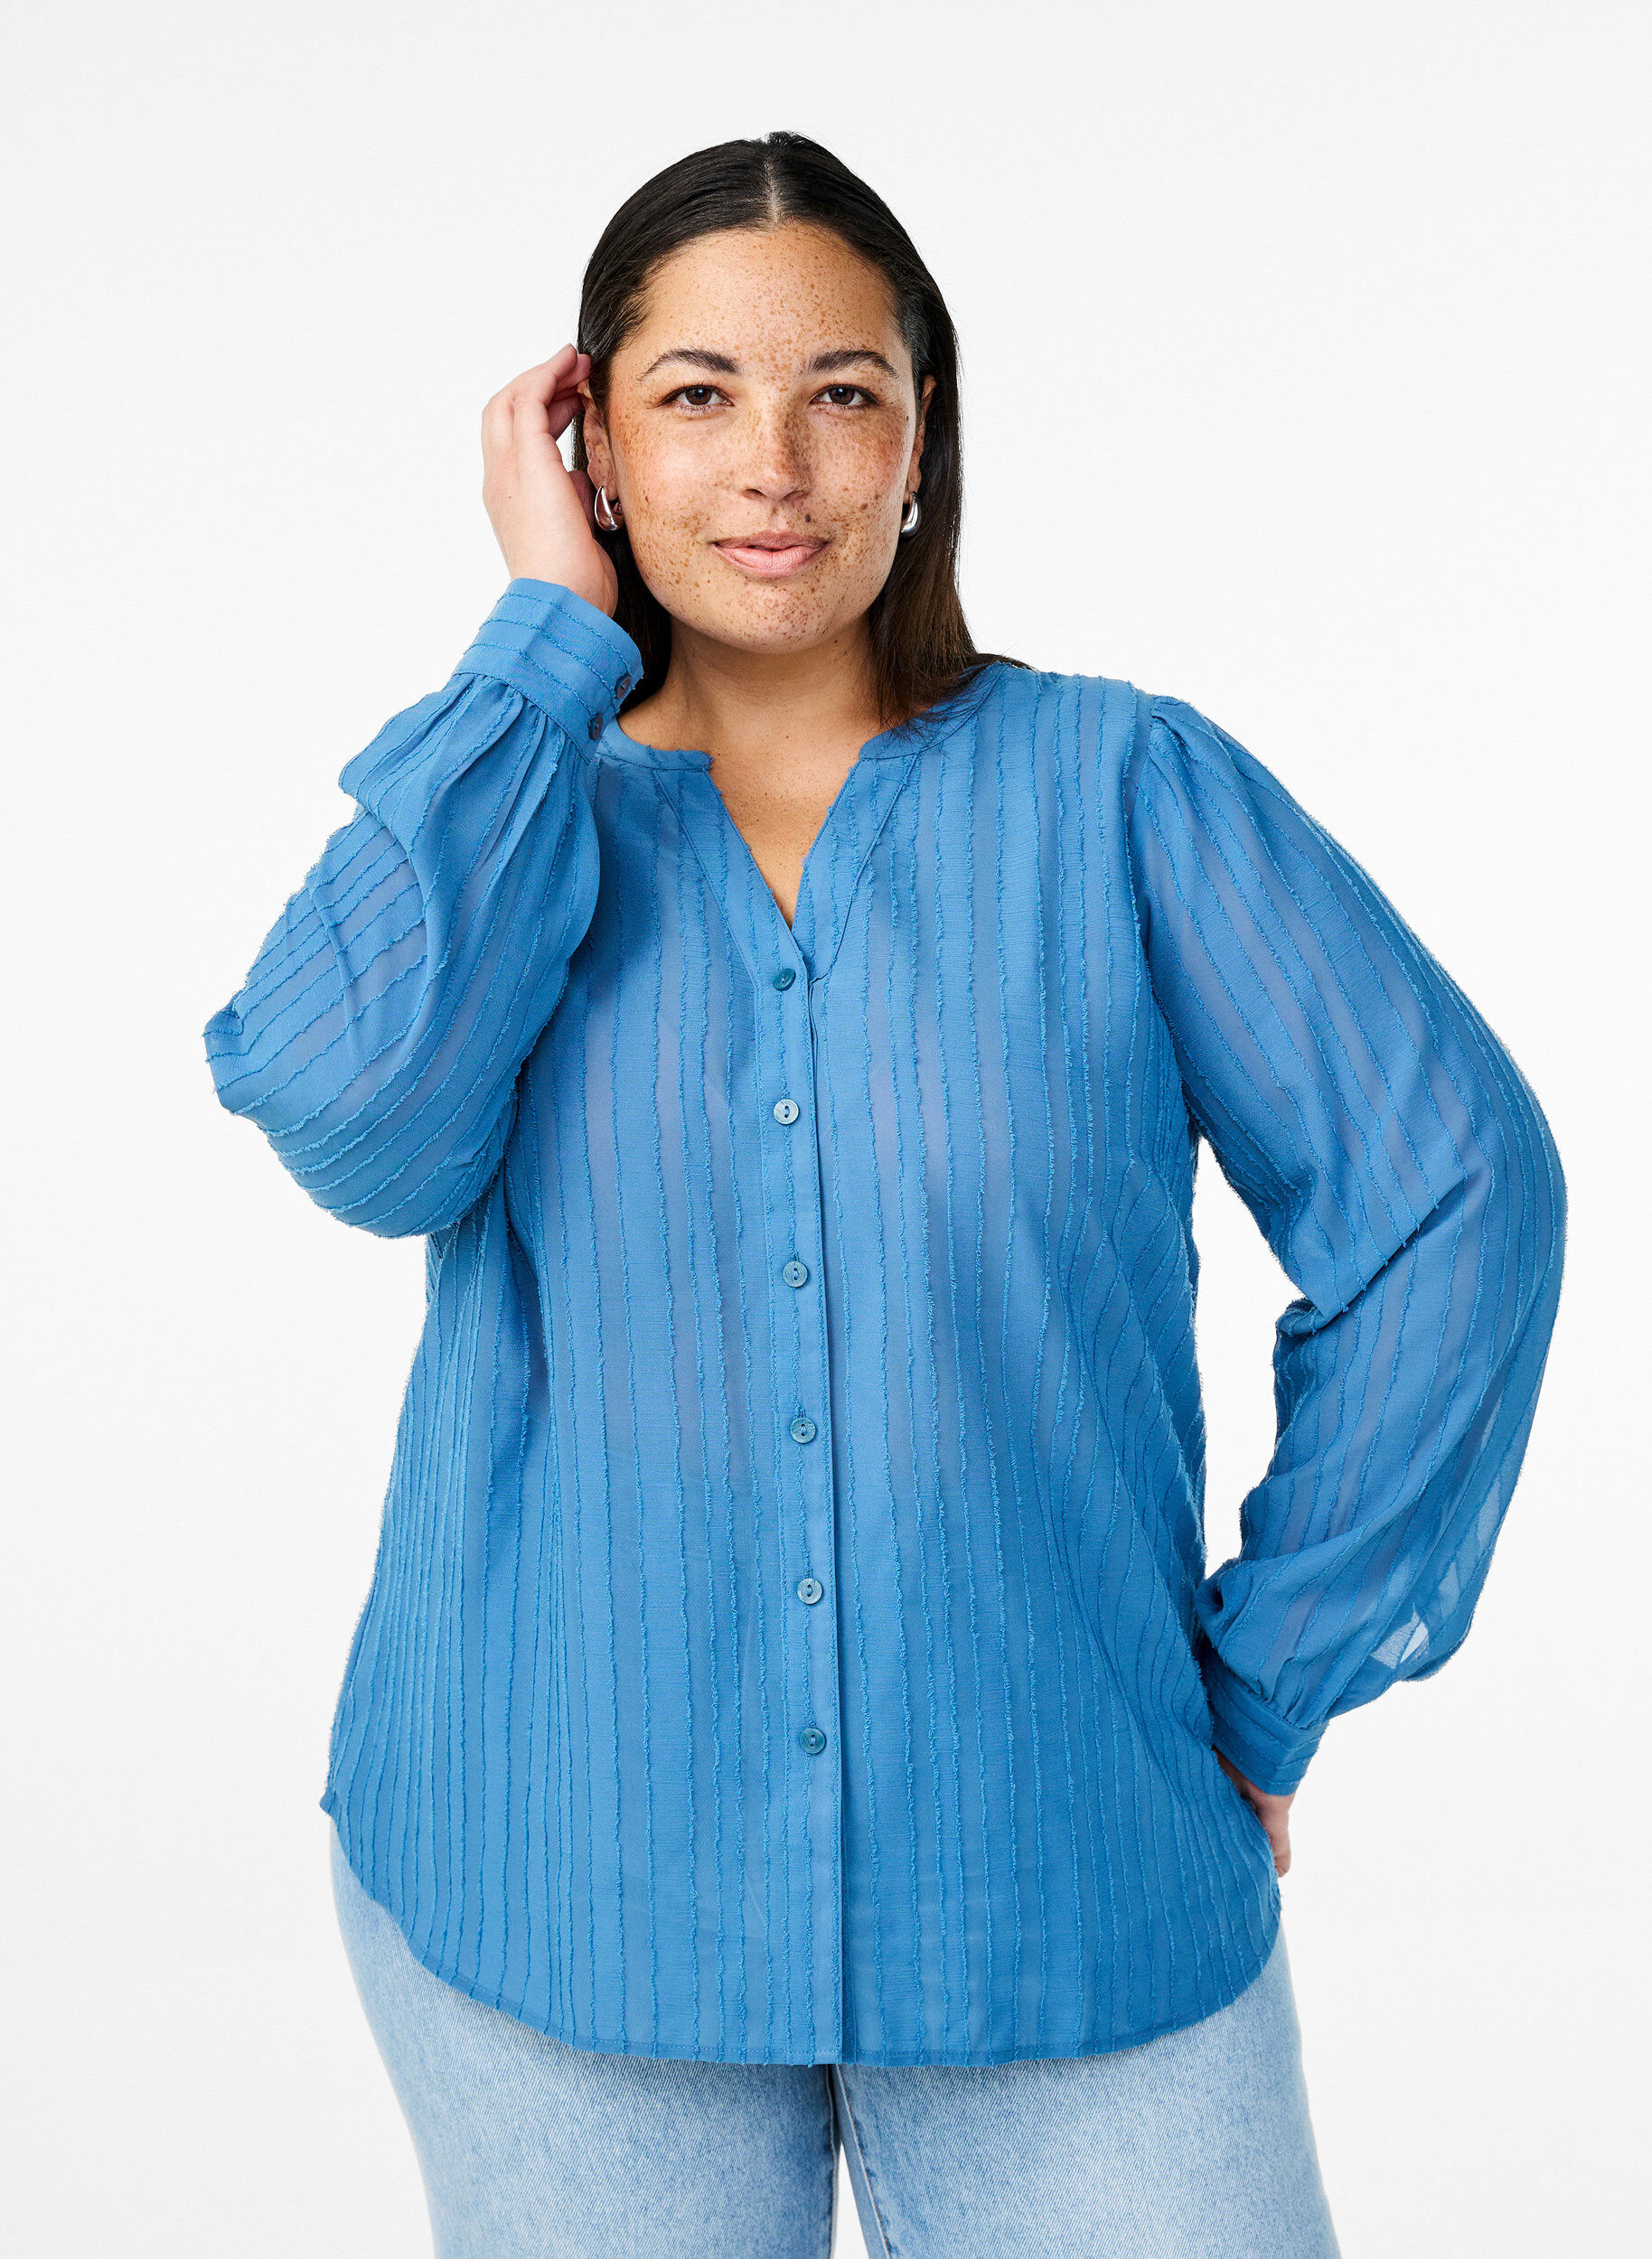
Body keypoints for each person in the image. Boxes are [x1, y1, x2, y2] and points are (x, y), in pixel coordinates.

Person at [203, 132, 1567, 2259]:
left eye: (842, 390)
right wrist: (535, 642)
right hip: (559, 1868)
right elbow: (337, 1101)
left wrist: (1271, 1669)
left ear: (922, 441)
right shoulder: (514, 802)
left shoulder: (1122, 788)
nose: (774, 463)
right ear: (586, 441)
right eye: (692, 394)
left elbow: (1451, 1193)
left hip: (1054, 1873)